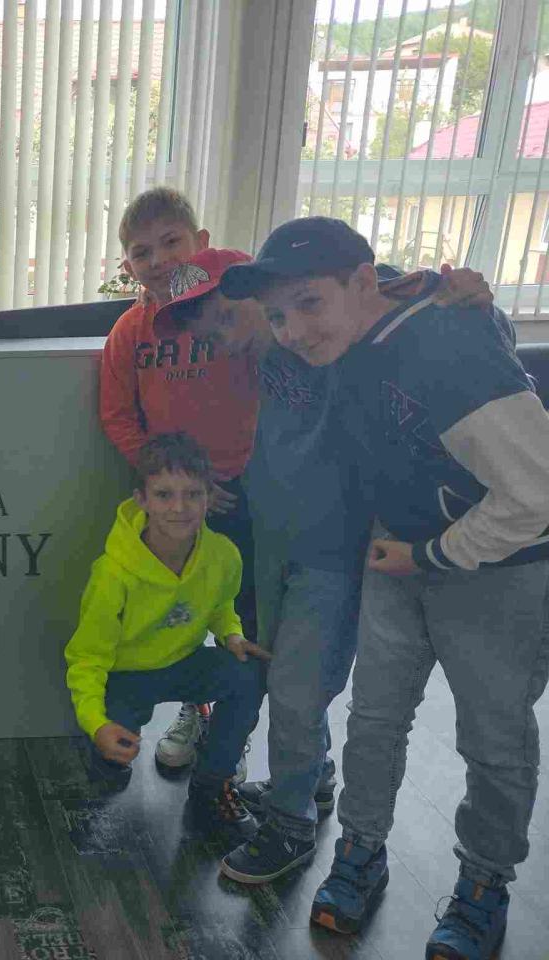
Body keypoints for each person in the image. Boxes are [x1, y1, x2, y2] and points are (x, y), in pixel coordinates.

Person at [221, 216, 549, 960]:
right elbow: (402, 286)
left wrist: (432, 553)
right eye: (278, 315)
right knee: (373, 721)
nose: (293, 330)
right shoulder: (352, 337)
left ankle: (484, 884)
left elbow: (536, 494)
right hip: (400, 556)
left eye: (308, 303)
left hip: (499, 569)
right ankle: (359, 853)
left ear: (362, 283)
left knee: (493, 740)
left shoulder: (449, 343)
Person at [158, 242, 493, 891]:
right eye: (209, 332)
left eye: (226, 317)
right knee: (286, 675)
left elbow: (405, 296)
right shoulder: (265, 350)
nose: (222, 337)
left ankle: (290, 825)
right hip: (276, 541)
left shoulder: (335, 336)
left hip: (334, 551)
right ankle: (312, 782)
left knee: (297, 691)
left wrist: (464, 295)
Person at [99, 187, 261, 773]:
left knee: (248, 617)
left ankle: (262, 738)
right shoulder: (130, 331)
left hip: (246, 491)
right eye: (142, 252)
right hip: (179, 504)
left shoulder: (233, 310)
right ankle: (197, 708)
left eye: (172, 242)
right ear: (127, 266)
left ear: (202, 243)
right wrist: (171, 484)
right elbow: (118, 415)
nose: (160, 260)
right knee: (184, 610)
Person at [64, 432, 269, 840]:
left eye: (193, 494)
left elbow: (220, 606)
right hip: (126, 676)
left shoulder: (224, 555)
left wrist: (231, 634)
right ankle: (105, 761)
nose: (179, 508)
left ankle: (212, 784)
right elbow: (87, 658)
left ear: (209, 498)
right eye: (164, 495)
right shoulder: (112, 574)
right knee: (110, 762)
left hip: (184, 663)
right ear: (141, 500)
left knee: (249, 673)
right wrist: (96, 723)